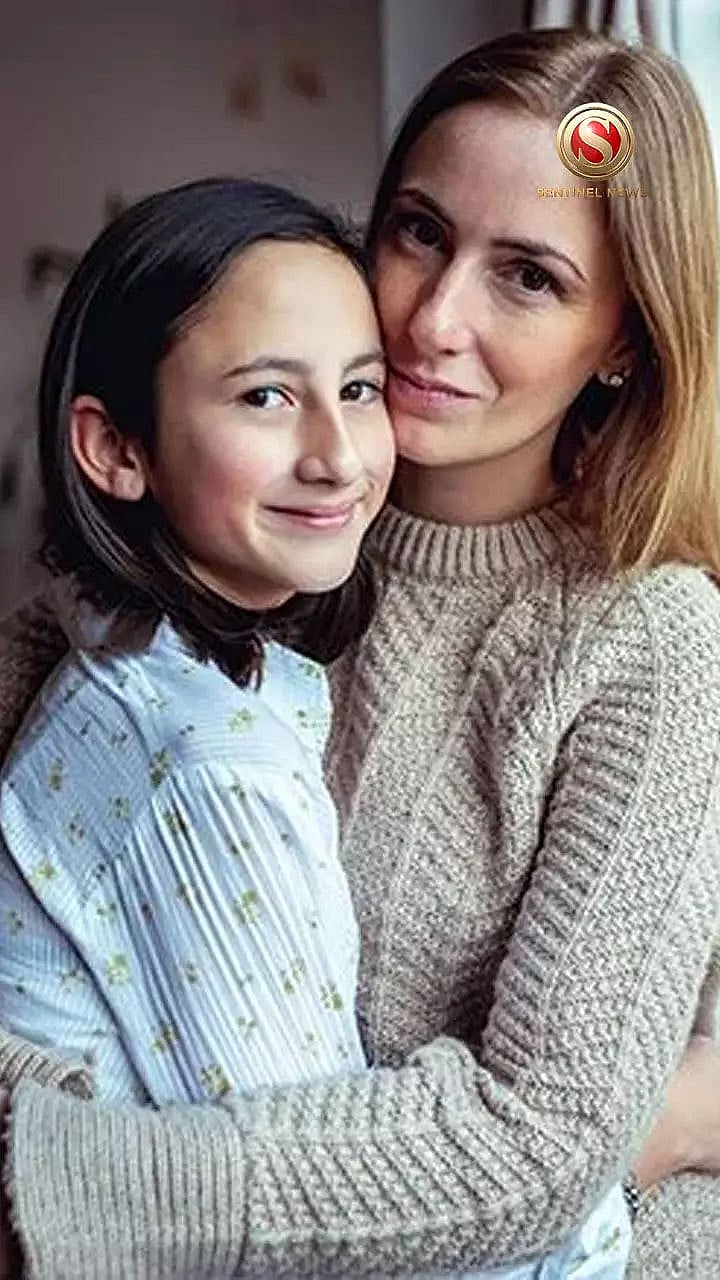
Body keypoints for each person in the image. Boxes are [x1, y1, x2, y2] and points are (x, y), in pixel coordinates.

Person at [0, 24, 719, 1280]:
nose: (434, 319)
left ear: (624, 335)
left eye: (529, 276)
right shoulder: (243, 516)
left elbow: (543, 1144)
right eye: (420, 232)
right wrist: (34, 1144)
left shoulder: (650, 642)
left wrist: (82, 1181)